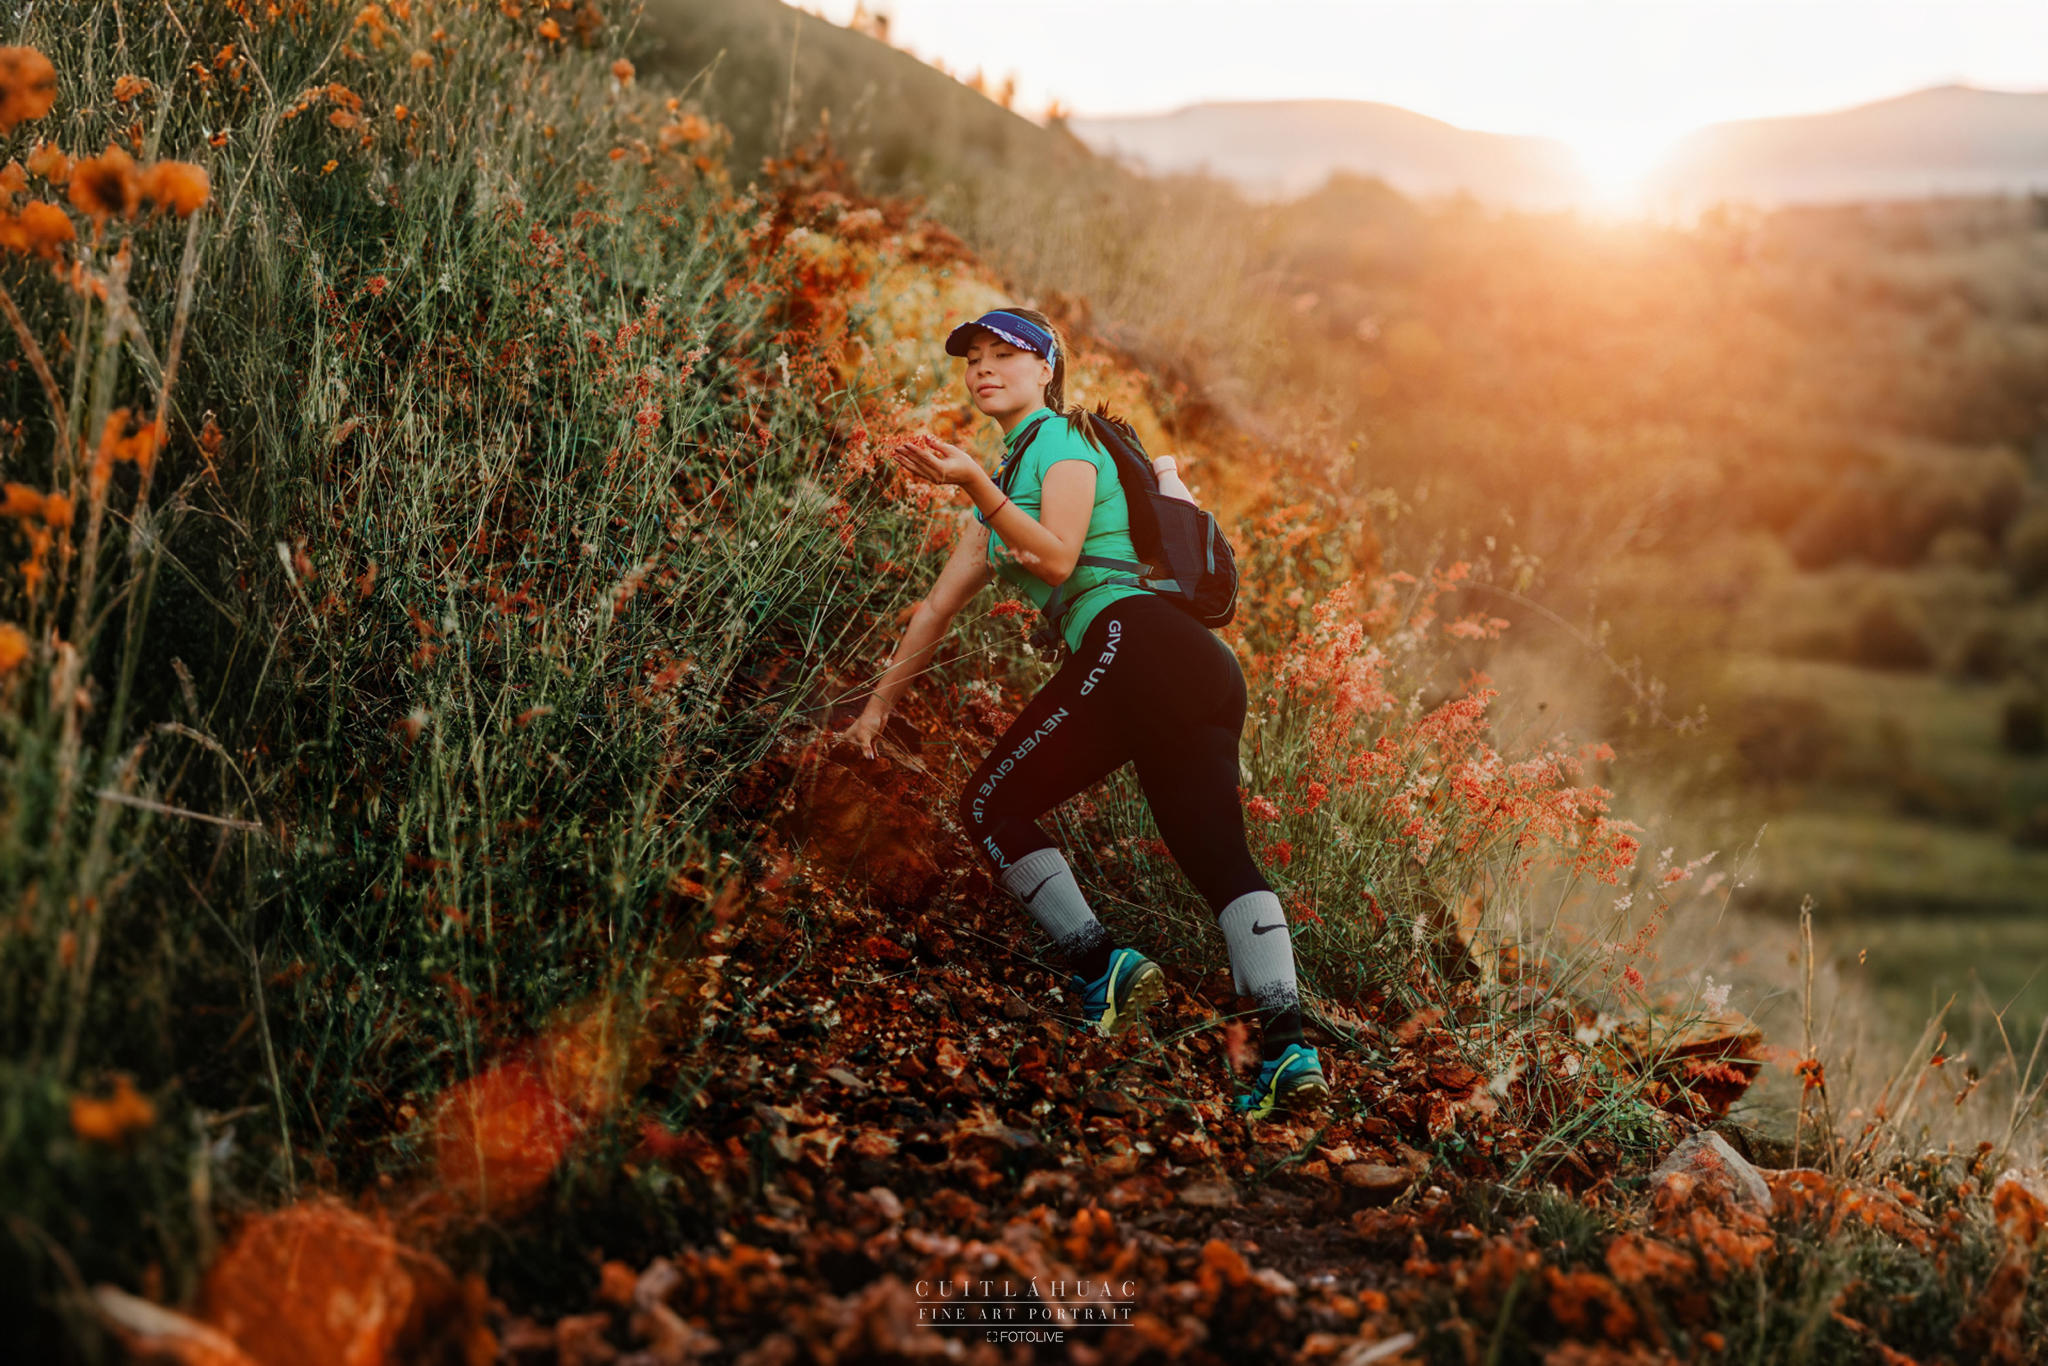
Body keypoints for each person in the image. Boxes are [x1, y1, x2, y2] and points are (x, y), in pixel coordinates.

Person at [840, 307, 1329, 1119]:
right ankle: (1287, 1052)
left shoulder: (1064, 442)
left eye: (1007, 354)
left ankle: (1101, 967)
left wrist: (971, 482)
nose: (985, 369)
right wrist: (874, 713)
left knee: (992, 805)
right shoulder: (999, 489)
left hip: (1138, 642)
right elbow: (933, 611)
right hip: (1186, 669)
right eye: (975, 359)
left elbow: (1060, 555)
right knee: (1216, 858)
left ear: (1046, 371)